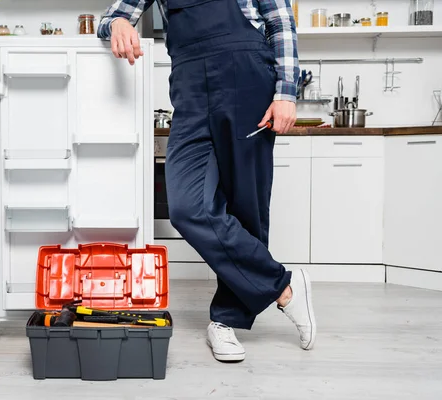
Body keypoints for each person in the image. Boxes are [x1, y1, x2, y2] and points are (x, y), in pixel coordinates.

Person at [98, 0, 316, 362]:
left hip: (247, 78)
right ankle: (284, 288)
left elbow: (279, 21)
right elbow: (112, 16)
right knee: (185, 207)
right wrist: (118, 23)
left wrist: (286, 92)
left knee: (247, 205)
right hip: (190, 91)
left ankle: (226, 321)